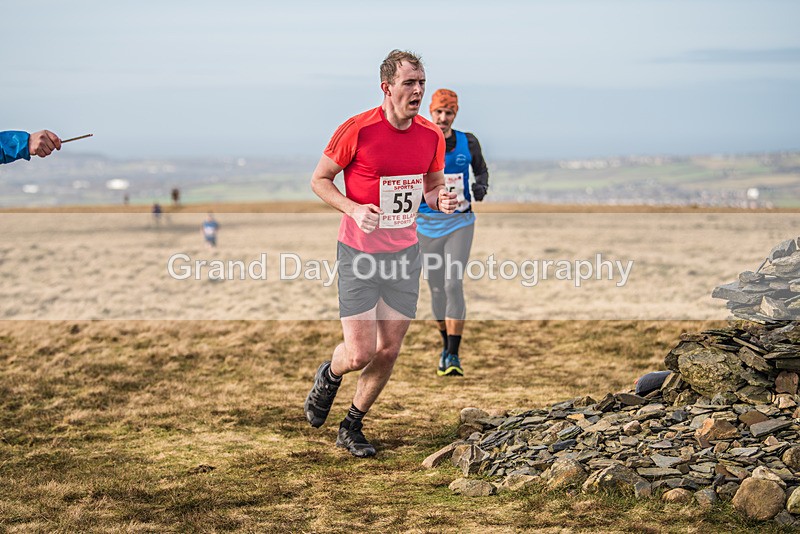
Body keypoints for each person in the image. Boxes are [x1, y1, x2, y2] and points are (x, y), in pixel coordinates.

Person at [305, 50, 457, 458]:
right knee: (360, 353)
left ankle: (352, 425)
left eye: (422, 82)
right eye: (410, 83)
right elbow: (319, 180)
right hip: (358, 252)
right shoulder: (357, 129)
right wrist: (353, 208)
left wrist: (440, 199)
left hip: (404, 253)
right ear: (387, 88)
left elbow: (431, 185)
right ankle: (329, 373)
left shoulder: (430, 135)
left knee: (389, 349)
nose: (419, 90)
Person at [417, 89, 490, 377]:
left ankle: (454, 355)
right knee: (435, 287)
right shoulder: (419, 141)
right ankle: (445, 346)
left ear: (455, 114)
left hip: (460, 223)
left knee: (452, 285)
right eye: (438, 112)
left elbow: (481, 171)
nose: (443, 118)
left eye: (449, 113)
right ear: (431, 113)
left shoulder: (467, 142)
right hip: (425, 225)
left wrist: (481, 187)